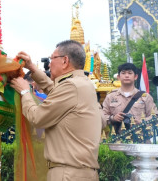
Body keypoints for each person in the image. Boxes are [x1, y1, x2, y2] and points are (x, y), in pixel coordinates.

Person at [10, 40, 103, 181]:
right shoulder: (82, 84)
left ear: (65, 60)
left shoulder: (71, 86)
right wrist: (33, 69)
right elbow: (55, 91)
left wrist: (25, 92)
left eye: (51, 58)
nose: (49, 63)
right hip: (80, 173)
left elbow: (37, 118)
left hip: (68, 174)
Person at [102, 62, 158, 134]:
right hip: (118, 139)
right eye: (123, 73)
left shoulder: (145, 96)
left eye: (130, 73)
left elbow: (155, 117)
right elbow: (102, 117)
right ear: (118, 77)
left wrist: (141, 121)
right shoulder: (110, 97)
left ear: (136, 77)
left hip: (141, 139)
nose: (126, 76)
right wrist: (113, 118)